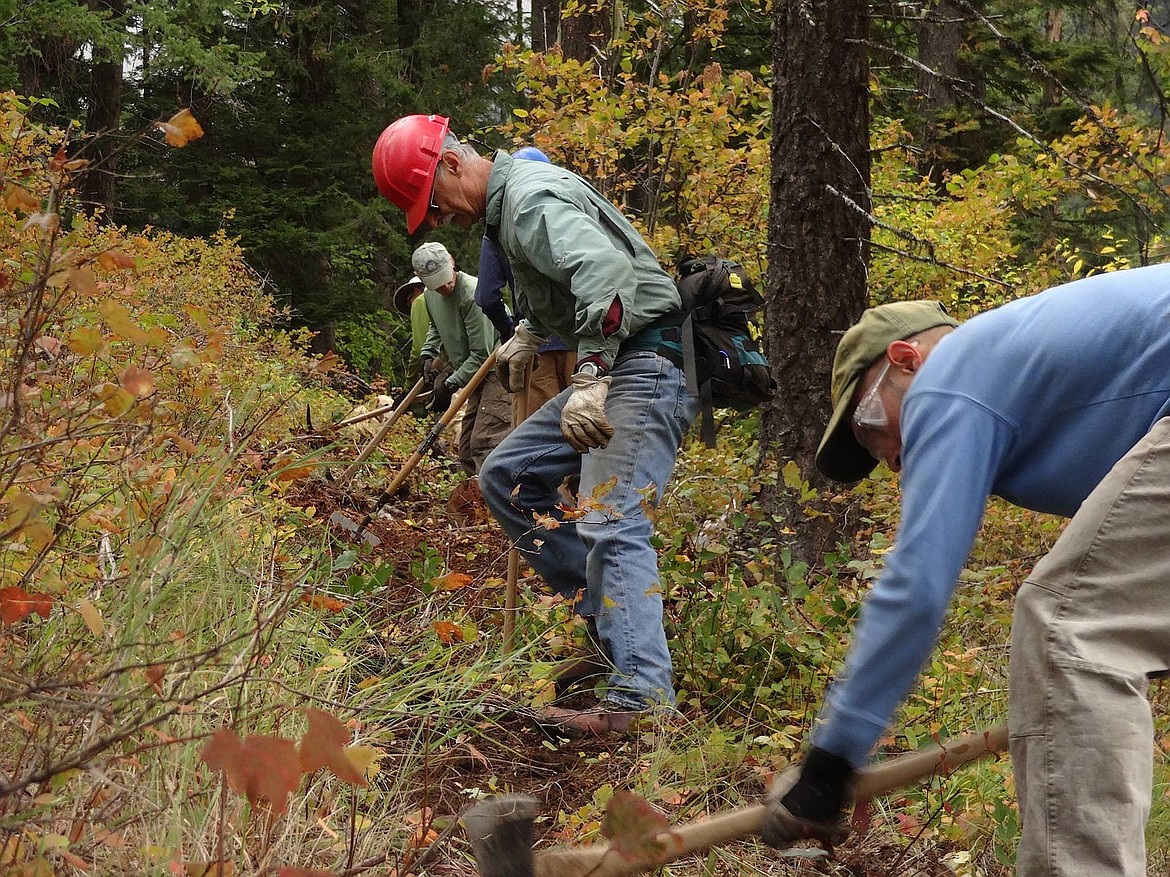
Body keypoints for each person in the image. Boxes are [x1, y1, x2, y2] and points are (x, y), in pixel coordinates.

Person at [761, 270, 1170, 876]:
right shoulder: (1053, 388)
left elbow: (916, 588)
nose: (891, 459)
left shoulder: (950, 375)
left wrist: (829, 762)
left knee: (1067, 627)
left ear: (906, 359)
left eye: (872, 428)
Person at [372, 113, 701, 736]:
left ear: (448, 164)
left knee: (612, 517)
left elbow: (605, 276)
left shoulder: (527, 198)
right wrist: (526, 333)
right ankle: (615, 626)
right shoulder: (509, 207)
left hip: (647, 361)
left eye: (431, 203)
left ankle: (642, 698)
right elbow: (559, 283)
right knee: (508, 476)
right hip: (627, 358)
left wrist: (593, 376)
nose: (438, 218)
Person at [474, 146, 576, 423]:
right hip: (579, 343)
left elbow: (486, 296)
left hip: (534, 348)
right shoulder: (564, 214)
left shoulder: (497, 231)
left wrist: (511, 332)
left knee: (535, 442)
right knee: (584, 435)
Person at [411, 241, 512, 476]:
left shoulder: (473, 294)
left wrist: (449, 385)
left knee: (486, 441)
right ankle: (476, 500)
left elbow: (482, 354)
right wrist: (428, 354)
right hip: (475, 375)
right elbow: (436, 327)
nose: (444, 286)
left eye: (445, 278)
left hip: (498, 369)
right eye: (436, 283)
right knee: (466, 449)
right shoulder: (430, 296)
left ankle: (501, 500)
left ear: (452, 262)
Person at [391, 275, 434, 381]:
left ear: (417, 290)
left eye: (409, 299)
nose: (410, 304)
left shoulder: (420, 301)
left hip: (436, 365)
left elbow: (418, 349)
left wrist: (409, 383)